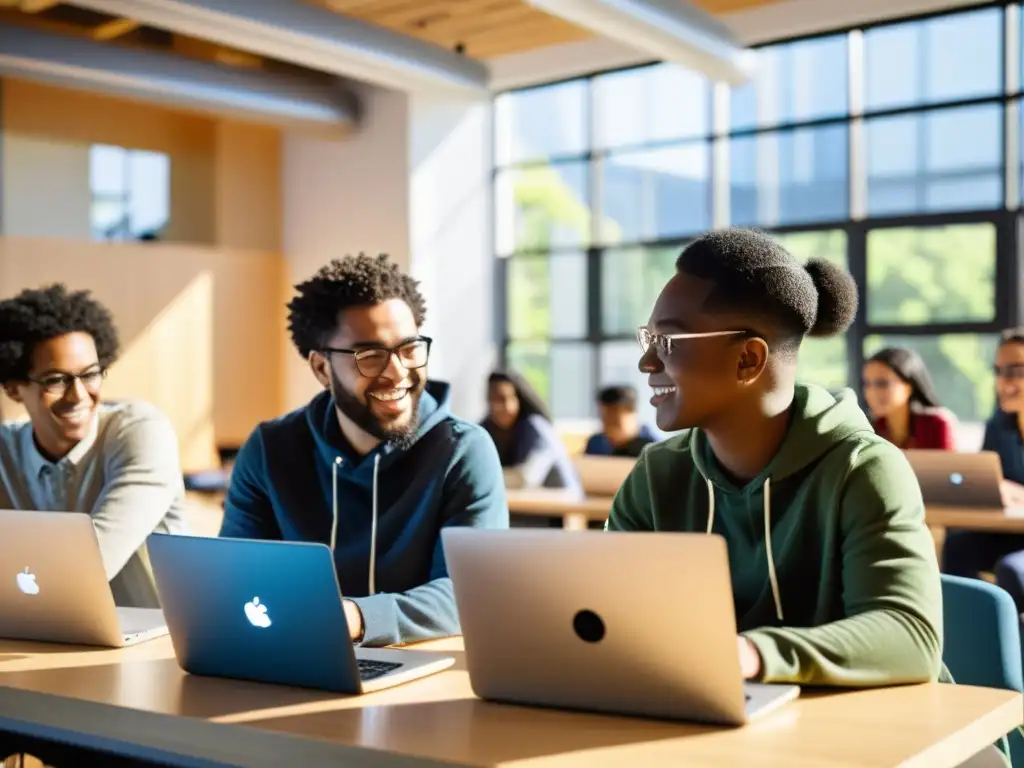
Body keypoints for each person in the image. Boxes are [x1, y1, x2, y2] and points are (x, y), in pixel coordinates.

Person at [607, 228, 943, 687]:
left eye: (668, 341)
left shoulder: (862, 469)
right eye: (647, 339)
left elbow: (909, 637)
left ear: (748, 359)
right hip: (722, 720)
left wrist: (750, 655)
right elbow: (606, 613)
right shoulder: (657, 473)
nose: (647, 363)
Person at [220, 254, 508, 647]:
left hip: (421, 671)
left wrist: (355, 617)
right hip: (293, 655)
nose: (397, 372)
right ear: (322, 369)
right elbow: (232, 577)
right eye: (370, 356)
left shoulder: (462, 451)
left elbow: (472, 592)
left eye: (409, 349)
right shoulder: (271, 449)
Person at [0, 284, 186, 608]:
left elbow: (95, 562)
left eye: (90, 374)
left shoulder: (139, 432)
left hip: (158, 643)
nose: (79, 395)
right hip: (44, 636)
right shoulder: (6, 450)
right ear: (14, 389)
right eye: (56, 380)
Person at [944, 329, 1024, 604]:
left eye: (1015, 370)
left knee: (1012, 569)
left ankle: (1010, 647)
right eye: (999, 371)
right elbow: (985, 479)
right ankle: (967, 642)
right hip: (1008, 532)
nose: (1004, 381)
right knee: (955, 548)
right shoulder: (998, 426)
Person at [481, 370, 581, 494]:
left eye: (508, 398)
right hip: (525, 503)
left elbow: (526, 478)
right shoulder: (485, 430)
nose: (505, 407)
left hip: (562, 505)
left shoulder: (535, 427)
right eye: (496, 400)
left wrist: (481, 477)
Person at [862, 347, 956, 450]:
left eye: (882, 383)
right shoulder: (869, 429)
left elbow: (948, 465)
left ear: (908, 386)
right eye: (867, 384)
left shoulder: (937, 424)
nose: (872, 392)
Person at [584, 385, 658, 458]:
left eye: (614, 418)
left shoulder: (655, 449)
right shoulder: (596, 443)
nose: (608, 421)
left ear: (632, 413)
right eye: (603, 415)